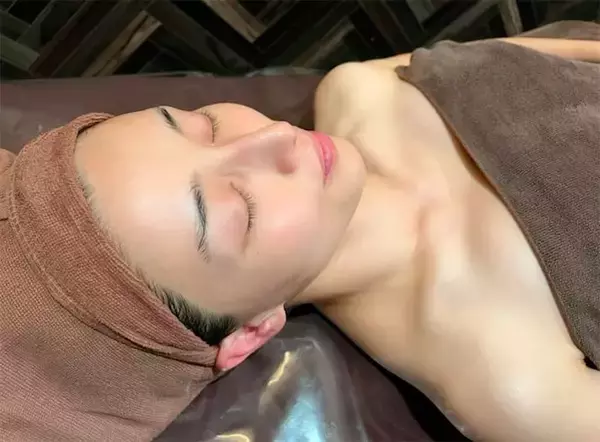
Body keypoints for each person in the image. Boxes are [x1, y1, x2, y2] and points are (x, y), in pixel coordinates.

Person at [1, 22, 598, 441]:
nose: (274, 139)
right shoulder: (511, 379)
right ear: (251, 332)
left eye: (200, 125)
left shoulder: (359, 89)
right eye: (240, 210)